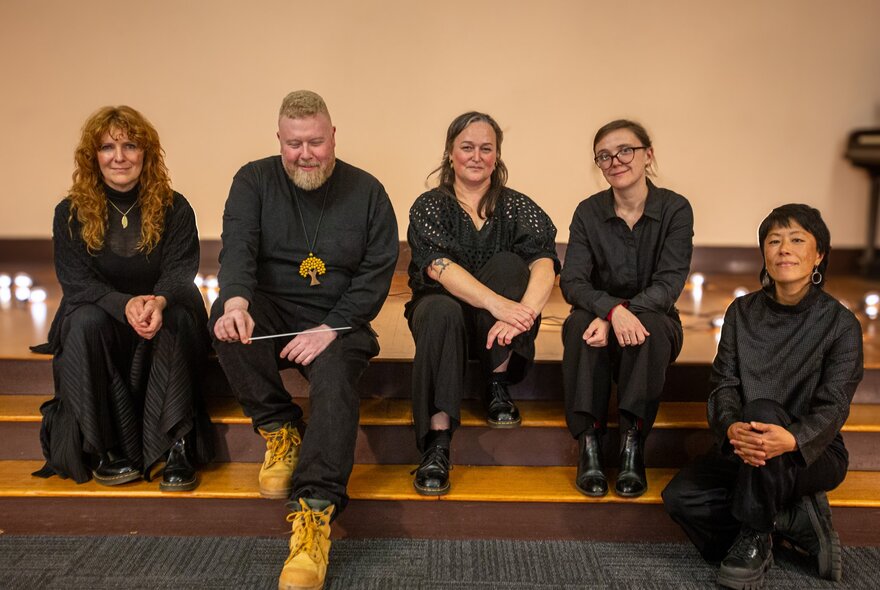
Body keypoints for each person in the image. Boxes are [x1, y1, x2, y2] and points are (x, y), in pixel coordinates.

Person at [211, 90, 398, 590]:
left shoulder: (369, 192)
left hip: (339, 319)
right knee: (225, 324)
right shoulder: (253, 180)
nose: (306, 153)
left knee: (336, 377)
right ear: (279, 140)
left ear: (334, 136)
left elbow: (376, 276)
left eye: (316, 141)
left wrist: (331, 327)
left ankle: (314, 515)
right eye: (294, 144)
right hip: (270, 306)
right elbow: (239, 250)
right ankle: (278, 427)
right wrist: (235, 302)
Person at [663, 204, 863, 589]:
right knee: (681, 497)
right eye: (774, 241)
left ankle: (755, 534)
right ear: (764, 255)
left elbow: (834, 404)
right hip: (746, 447)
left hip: (811, 452)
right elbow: (723, 385)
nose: (784, 248)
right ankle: (789, 520)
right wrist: (730, 427)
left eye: (797, 239)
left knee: (763, 410)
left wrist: (791, 438)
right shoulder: (741, 312)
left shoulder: (840, 324)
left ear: (818, 254)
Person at [31, 105, 213, 492]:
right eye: (108, 147)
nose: (119, 157)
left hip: (165, 309)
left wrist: (158, 302)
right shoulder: (69, 213)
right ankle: (104, 449)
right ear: (92, 156)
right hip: (102, 316)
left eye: (130, 146)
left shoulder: (174, 206)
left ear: (146, 154)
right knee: (83, 322)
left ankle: (177, 446)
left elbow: (181, 270)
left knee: (179, 318)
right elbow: (77, 281)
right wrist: (123, 304)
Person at [405, 111, 559, 496]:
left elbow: (544, 261)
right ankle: (437, 445)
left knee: (510, 265)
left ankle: (496, 382)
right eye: (467, 147)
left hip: (501, 328)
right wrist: (499, 305)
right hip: (443, 313)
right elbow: (439, 269)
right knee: (441, 309)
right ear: (450, 153)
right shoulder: (429, 206)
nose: (476, 156)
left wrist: (525, 313)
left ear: (497, 155)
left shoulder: (517, 207)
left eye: (486, 148)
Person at [560, 119, 693, 499]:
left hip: (654, 317)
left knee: (648, 327)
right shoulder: (588, 212)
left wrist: (620, 312)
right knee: (579, 328)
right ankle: (589, 446)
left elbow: (669, 284)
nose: (615, 160)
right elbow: (573, 282)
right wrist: (610, 312)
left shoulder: (675, 209)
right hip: (597, 316)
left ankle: (632, 445)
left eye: (625, 150)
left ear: (647, 154)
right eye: (604, 155)